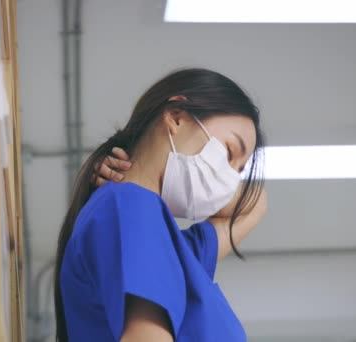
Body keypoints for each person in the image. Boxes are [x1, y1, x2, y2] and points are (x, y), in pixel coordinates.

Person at [54, 68, 267, 342]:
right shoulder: (131, 207)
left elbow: (256, 203)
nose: (228, 179)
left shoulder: (172, 248)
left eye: (237, 172)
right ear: (176, 117)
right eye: (228, 153)